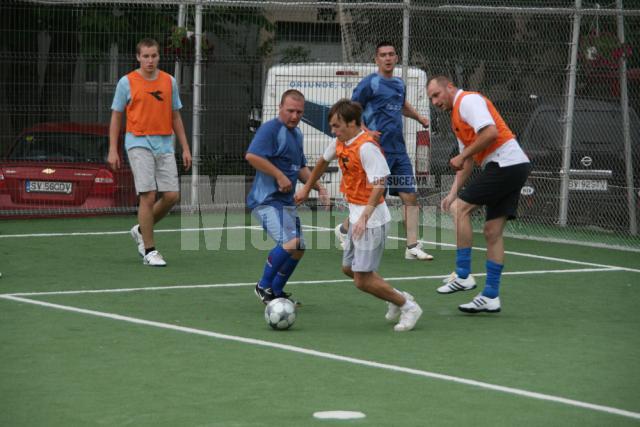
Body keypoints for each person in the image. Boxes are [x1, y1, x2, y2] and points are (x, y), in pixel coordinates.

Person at [296, 99, 423, 332]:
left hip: (372, 221)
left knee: (361, 279)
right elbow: (323, 162)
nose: (333, 131)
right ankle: (395, 297)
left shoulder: (366, 147)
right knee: (349, 268)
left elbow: (380, 183)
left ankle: (409, 306)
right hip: (357, 217)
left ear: (353, 123)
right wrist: (306, 187)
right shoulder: (341, 142)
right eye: (332, 126)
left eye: (337, 126)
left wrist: (365, 216)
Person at [426, 75, 531, 313]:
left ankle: (463, 275)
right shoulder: (456, 118)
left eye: (436, 95)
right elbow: (470, 160)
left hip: (506, 163)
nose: (434, 101)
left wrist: (462, 157)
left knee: (460, 210)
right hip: (510, 165)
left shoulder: (468, 101)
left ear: (450, 88)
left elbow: (491, 133)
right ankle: (491, 296)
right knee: (491, 231)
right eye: (431, 98)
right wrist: (452, 192)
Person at [334, 41, 433, 261]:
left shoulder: (399, 84)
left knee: (410, 196)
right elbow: (351, 111)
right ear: (376, 60)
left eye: (391, 54)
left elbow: (402, 105)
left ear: (396, 58)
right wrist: (366, 132)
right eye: (383, 55)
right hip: (377, 151)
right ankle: (343, 230)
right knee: (374, 198)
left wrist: (419, 117)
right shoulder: (370, 83)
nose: (387, 58)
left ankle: (412, 246)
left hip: (398, 150)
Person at [108, 38, 192, 267]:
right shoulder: (126, 82)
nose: (150, 60)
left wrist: (185, 147)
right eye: (145, 56)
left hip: (165, 144)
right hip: (137, 142)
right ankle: (149, 250)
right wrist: (112, 149)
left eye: (154, 56)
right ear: (138, 57)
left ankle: (140, 229)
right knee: (148, 195)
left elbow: (175, 115)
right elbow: (116, 116)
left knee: (172, 195)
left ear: (158, 57)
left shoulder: (169, 81)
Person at [246, 89, 329, 305]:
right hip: (266, 202)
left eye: (299, 112)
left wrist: (318, 187)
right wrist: (279, 175)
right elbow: (252, 156)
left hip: (286, 204)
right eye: (290, 110)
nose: (294, 116)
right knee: (291, 242)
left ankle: (276, 290)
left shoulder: (297, 134)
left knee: (299, 247)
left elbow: (300, 167)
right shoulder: (271, 130)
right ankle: (262, 286)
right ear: (280, 108)